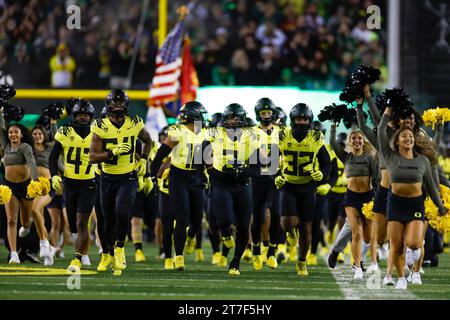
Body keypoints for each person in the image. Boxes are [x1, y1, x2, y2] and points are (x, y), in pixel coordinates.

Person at [378, 106, 447, 290]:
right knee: (397, 244)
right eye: (404, 136)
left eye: (410, 136)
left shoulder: (422, 161)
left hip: (415, 204)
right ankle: (401, 278)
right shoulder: (390, 156)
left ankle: (414, 259)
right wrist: (386, 114)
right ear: (397, 141)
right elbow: (380, 133)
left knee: (415, 243)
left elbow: (432, 187)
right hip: (395, 204)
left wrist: (440, 206)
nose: (408, 138)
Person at [90, 89, 153, 276]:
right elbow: (92, 157)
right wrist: (113, 152)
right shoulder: (100, 126)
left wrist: (143, 159)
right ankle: (107, 253)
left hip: (128, 176)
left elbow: (148, 140)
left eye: (121, 102)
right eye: (114, 102)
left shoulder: (134, 123)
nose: (118, 105)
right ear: (108, 105)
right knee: (107, 219)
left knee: (123, 212)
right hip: (107, 177)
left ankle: (119, 248)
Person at [150, 101, 208, 271]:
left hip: (196, 177)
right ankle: (178, 256)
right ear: (193, 115)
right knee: (181, 218)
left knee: (197, 220)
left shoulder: (204, 133)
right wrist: (152, 175)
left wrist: (209, 173)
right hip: (179, 177)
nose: (204, 118)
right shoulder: (177, 132)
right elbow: (161, 154)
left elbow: (206, 158)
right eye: (201, 114)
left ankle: (192, 236)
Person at [206, 103, 262, 275]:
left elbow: (257, 169)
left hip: (242, 184)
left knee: (244, 225)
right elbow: (202, 152)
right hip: (221, 182)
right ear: (224, 118)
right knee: (224, 220)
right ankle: (225, 234)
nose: (234, 121)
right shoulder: (215, 133)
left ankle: (235, 262)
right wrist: (207, 169)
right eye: (231, 117)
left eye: (237, 118)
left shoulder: (251, 136)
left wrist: (241, 170)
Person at [275, 103, 331, 276]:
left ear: (310, 120)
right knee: (287, 223)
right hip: (288, 184)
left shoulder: (316, 137)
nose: (302, 122)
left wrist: (321, 175)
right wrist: (276, 174)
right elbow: (270, 159)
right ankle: (291, 232)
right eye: (299, 119)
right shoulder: (283, 135)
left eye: (305, 119)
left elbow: (326, 162)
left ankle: (302, 261)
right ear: (292, 120)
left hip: (307, 187)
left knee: (307, 226)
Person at [49, 99, 96, 273]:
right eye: (80, 115)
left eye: (86, 115)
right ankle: (81, 250)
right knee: (72, 225)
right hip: (70, 182)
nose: (83, 118)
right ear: (74, 116)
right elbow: (53, 157)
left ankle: (78, 257)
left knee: (82, 222)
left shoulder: (97, 132)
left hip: (89, 182)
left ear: (91, 116)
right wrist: (54, 175)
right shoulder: (65, 132)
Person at [329, 121, 377, 280]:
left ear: (363, 142)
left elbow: (376, 179)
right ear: (350, 142)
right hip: (351, 198)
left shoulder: (370, 158)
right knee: (356, 233)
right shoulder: (346, 156)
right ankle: (357, 266)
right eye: (354, 138)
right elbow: (332, 143)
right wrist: (333, 127)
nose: (357, 141)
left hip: (368, 197)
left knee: (368, 237)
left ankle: (337, 249)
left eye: (360, 139)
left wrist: (377, 198)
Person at [0, 109, 38, 264]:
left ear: (21, 134)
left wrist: (35, 181)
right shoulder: (6, 146)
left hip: (26, 186)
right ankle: (14, 253)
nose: (13, 135)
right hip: (9, 187)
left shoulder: (26, 148)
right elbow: (1, 128)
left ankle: (27, 227)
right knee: (11, 220)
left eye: (16, 132)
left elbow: (32, 164)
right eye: (10, 133)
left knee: (25, 221)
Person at [251, 98, 281, 270]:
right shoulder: (251, 132)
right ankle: (256, 249)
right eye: (263, 113)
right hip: (257, 178)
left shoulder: (281, 132)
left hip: (275, 177)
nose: (266, 115)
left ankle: (272, 251)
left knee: (276, 214)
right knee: (258, 217)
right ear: (258, 114)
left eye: (269, 112)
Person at [29, 122, 60, 265]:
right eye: (34, 134)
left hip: (48, 185)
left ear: (44, 135)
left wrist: (53, 123)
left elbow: (58, 139)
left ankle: (43, 243)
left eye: (39, 134)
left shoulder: (50, 148)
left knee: (35, 211)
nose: (37, 136)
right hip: (33, 186)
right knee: (38, 215)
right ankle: (49, 251)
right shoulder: (27, 149)